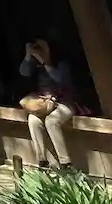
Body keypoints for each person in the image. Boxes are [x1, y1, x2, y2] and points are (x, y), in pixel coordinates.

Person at [18, 37, 78, 171]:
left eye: (42, 48)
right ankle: (42, 161)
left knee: (51, 121)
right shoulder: (36, 64)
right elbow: (23, 72)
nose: (39, 51)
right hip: (44, 102)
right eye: (37, 48)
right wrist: (28, 55)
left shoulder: (61, 64)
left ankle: (65, 163)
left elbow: (59, 78)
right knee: (33, 120)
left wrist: (44, 61)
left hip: (64, 102)